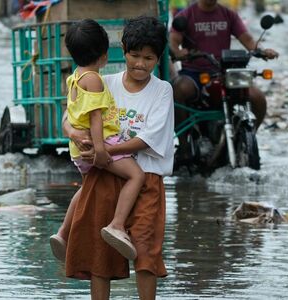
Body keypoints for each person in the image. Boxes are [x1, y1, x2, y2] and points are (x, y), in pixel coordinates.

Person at [56, 16, 173, 299]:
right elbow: (69, 117)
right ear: (122, 50)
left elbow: (146, 140)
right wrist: (75, 135)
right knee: (101, 256)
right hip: (105, 176)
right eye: (135, 56)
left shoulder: (162, 91)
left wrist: (104, 151)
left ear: (159, 58)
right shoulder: (101, 82)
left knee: (145, 251)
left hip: (146, 179)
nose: (140, 64)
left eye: (149, 58)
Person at [54, 19, 146, 261]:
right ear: (104, 54)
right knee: (136, 176)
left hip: (77, 149)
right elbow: (95, 118)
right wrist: (102, 151)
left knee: (86, 189)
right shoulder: (94, 79)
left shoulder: (74, 77)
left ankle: (63, 232)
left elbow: (73, 113)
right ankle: (116, 224)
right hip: (99, 144)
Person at [168, 0, 278, 153]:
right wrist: (178, 52)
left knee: (258, 98)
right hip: (195, 72)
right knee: (178, 90)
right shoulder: (186, 15)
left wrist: (262, 50)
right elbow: (173, 40)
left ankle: (248, 137)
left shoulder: (229, 14)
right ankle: (184, 146)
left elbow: (247, 39)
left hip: (224, 72)